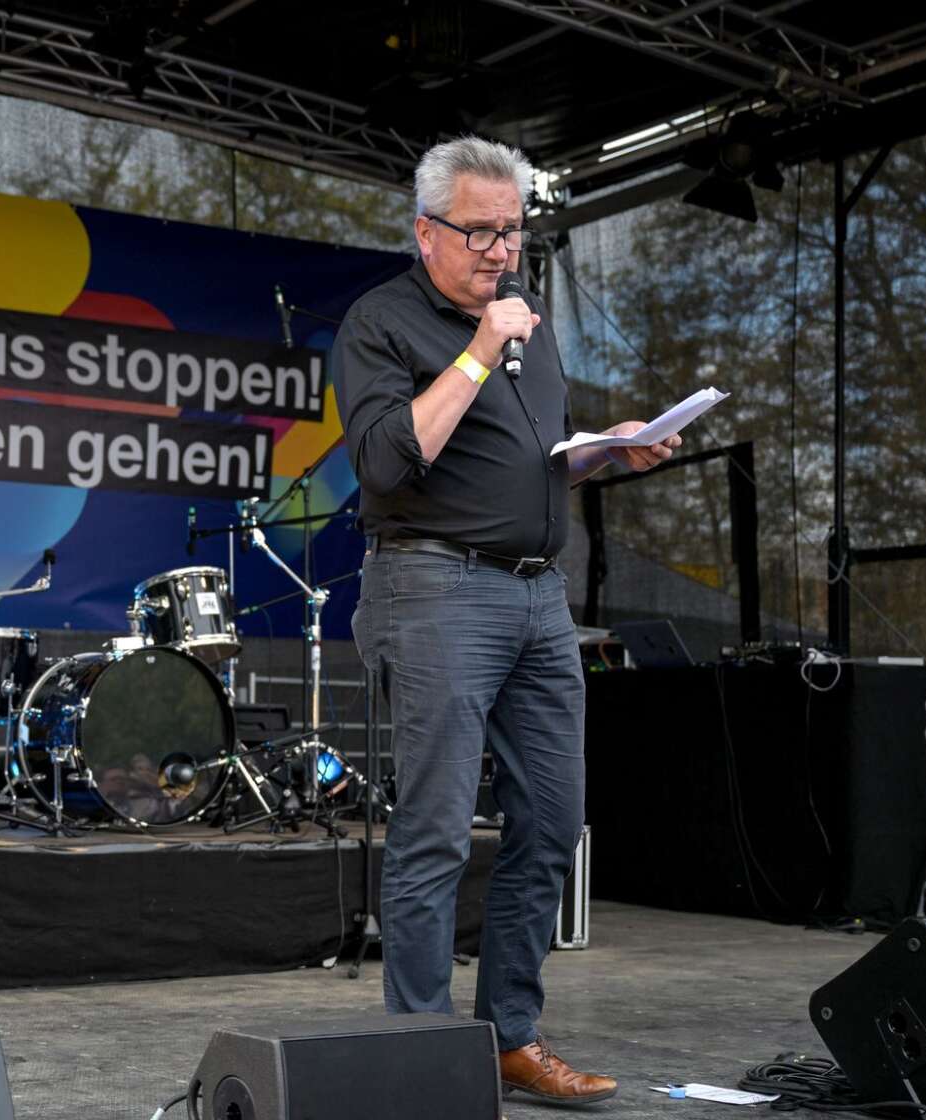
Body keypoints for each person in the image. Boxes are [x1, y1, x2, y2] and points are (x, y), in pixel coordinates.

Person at [331, 135, 680, 1107]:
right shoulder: (383, 324)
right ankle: (417, 1054)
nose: (499, 250)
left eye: (513, 230)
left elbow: (530, 463)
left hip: (538, 596)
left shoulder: (531, 324)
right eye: (480, 231)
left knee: (556, 819)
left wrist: (607, 452)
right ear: (425, 230)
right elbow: (393, 465)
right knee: (437, 827)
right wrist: (481, 352)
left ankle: (509, 1036)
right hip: (434, 588)